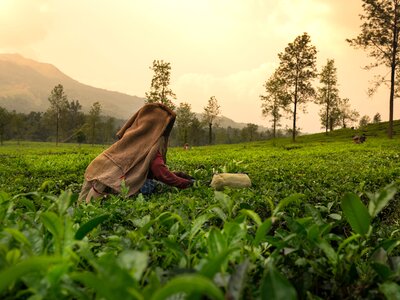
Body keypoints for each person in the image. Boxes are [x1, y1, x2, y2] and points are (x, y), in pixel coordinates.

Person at [79, 103, 194, 203]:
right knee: (156, 187)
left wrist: (177, 174)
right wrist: (186, 183)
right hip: (110, 185)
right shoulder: (153, 143)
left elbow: (141, 169)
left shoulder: (132, 135)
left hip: (97, 171)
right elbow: (159, 171)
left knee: (83, 207)